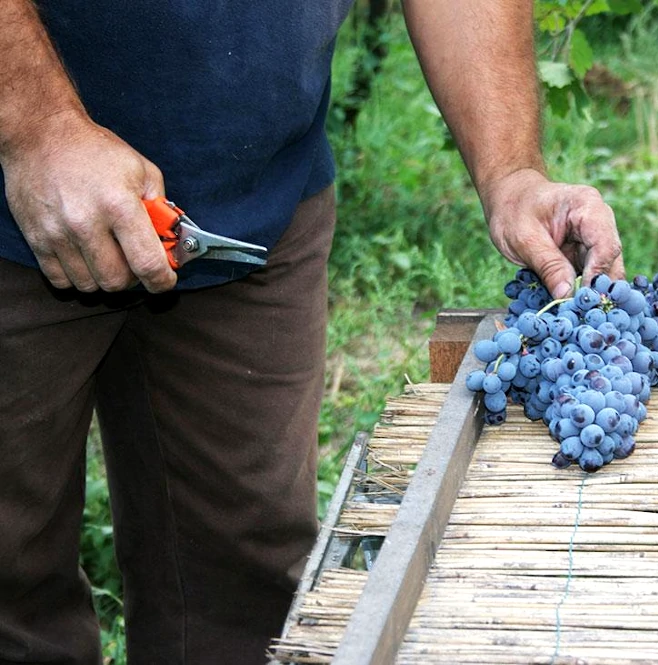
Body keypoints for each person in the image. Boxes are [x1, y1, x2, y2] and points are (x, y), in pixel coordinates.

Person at [0, 2, 625, 663]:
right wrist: (37, 128)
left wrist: (511, 169)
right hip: (15, 182)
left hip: (255, 204)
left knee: (242, 590)